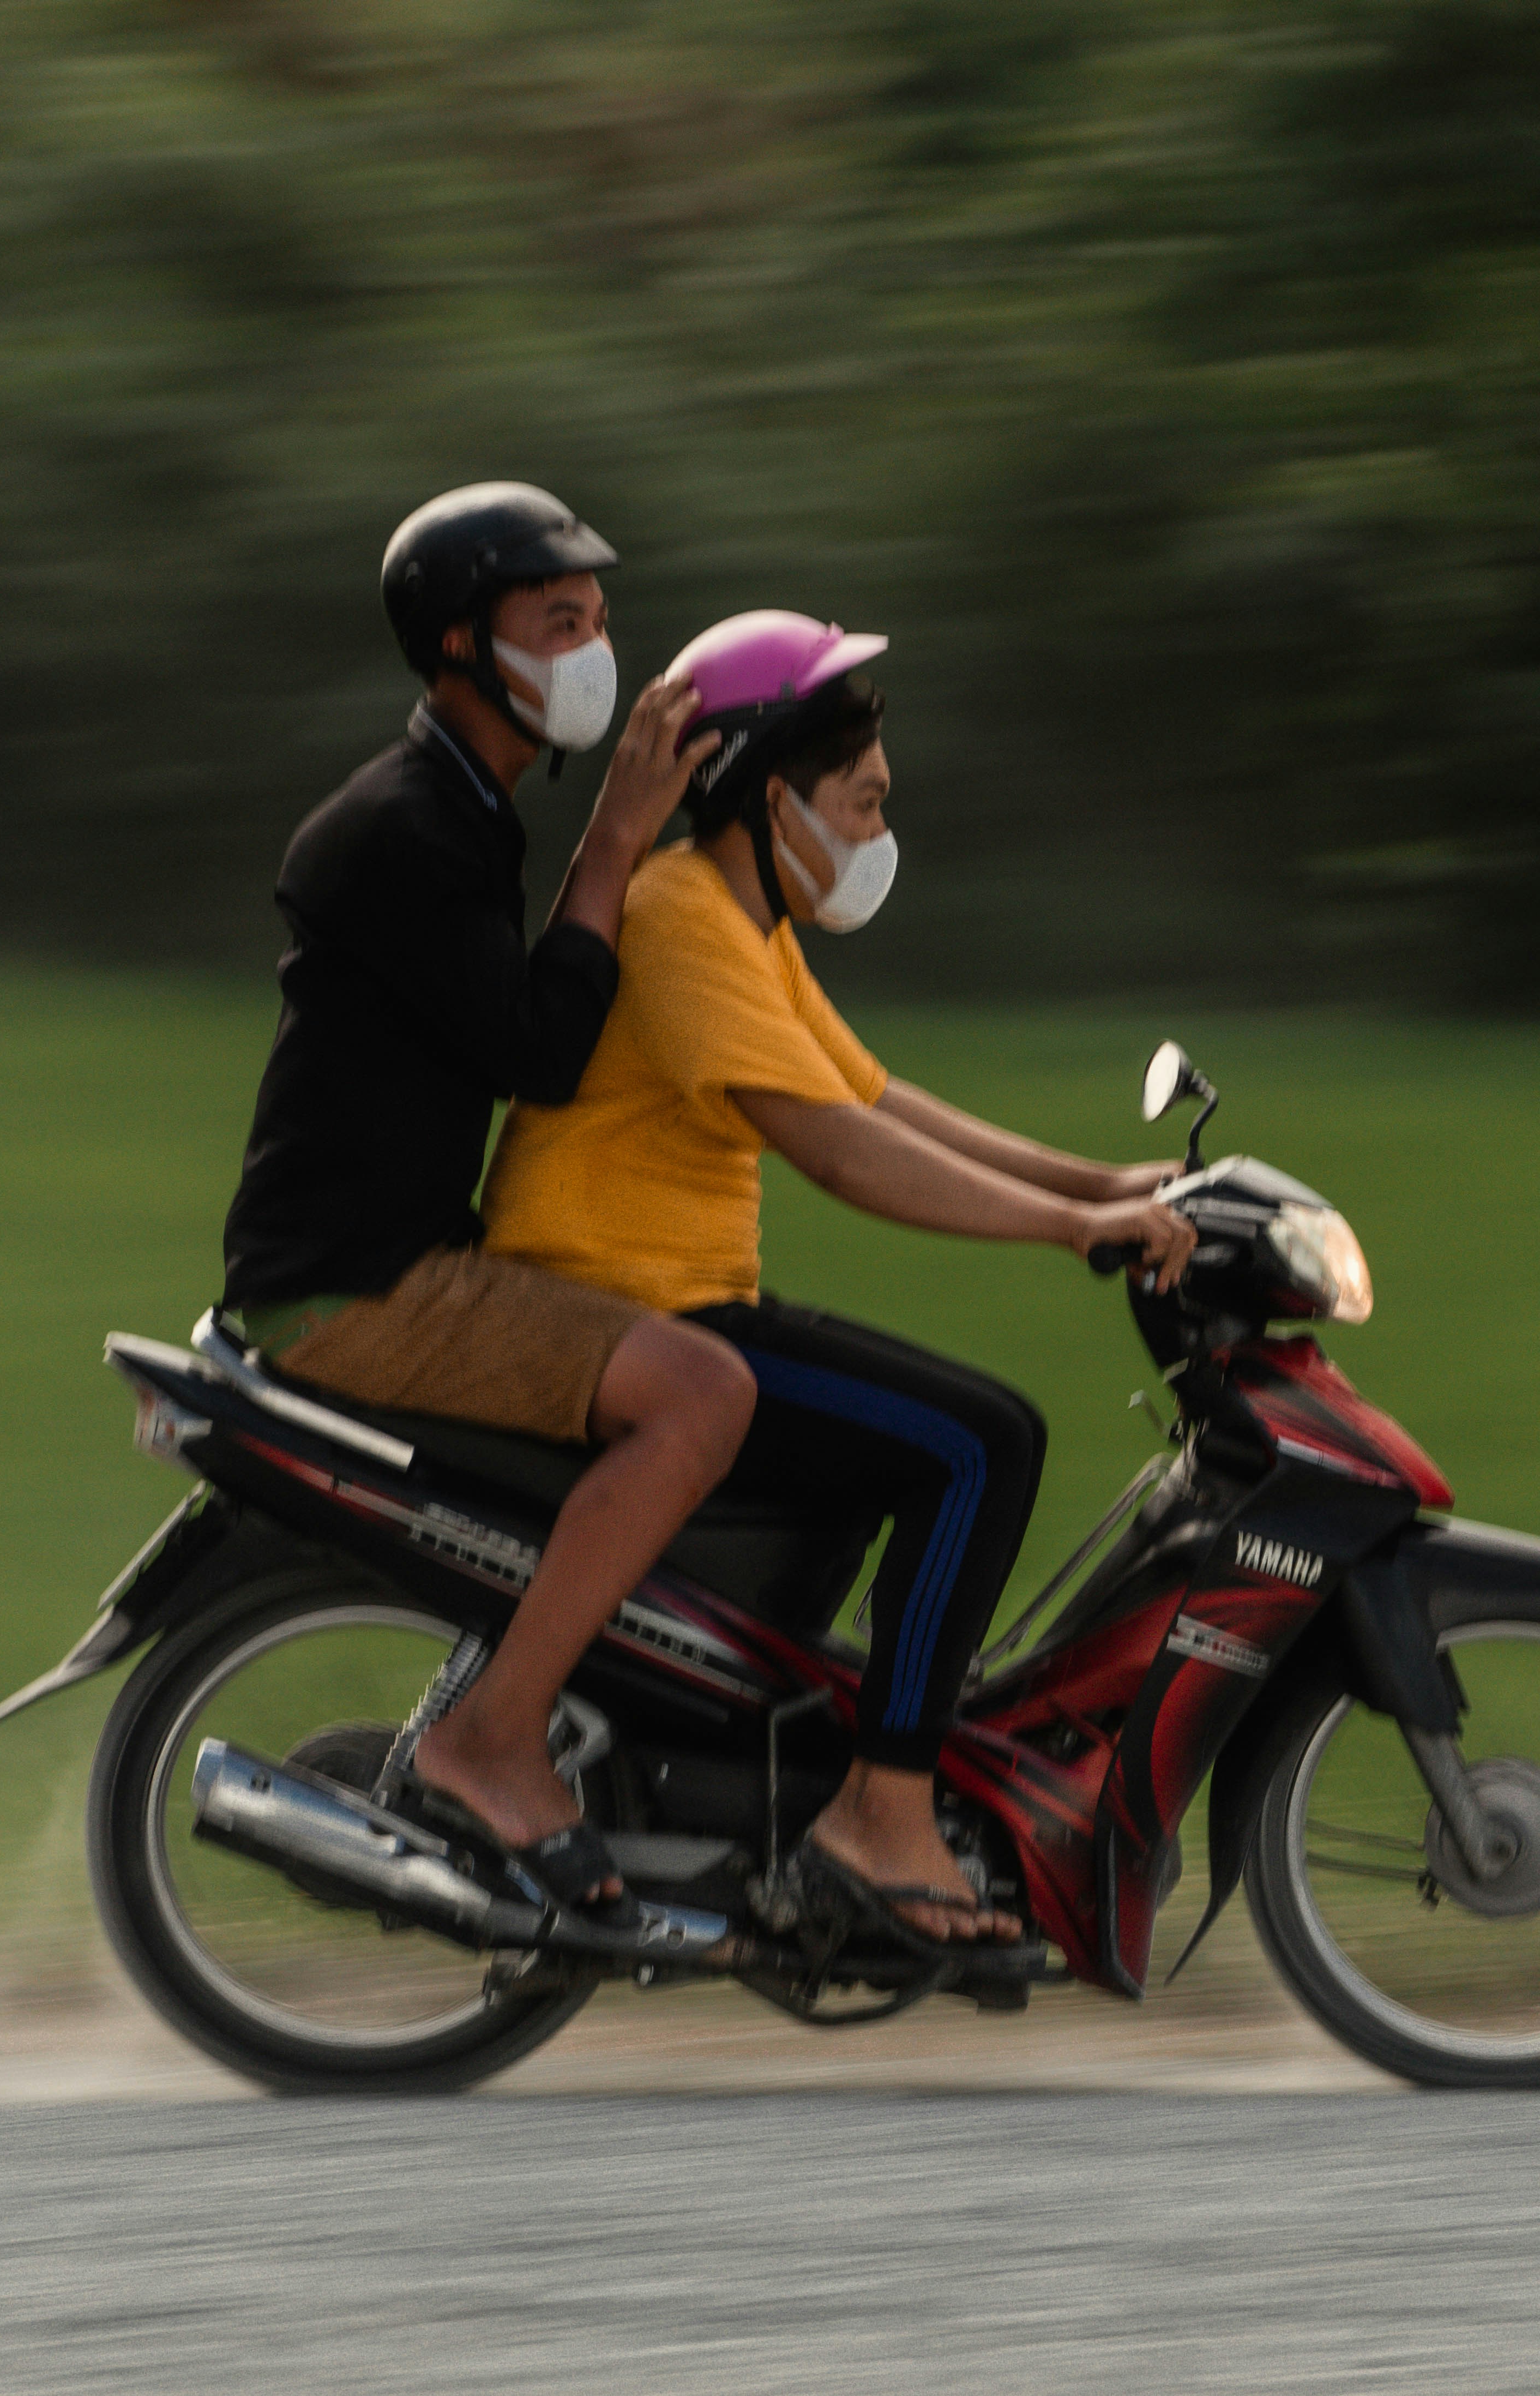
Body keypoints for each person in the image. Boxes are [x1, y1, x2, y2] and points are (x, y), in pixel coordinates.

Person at [479, 611, 1198, 1946]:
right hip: (624, 1308)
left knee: (922, 1435)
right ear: (768, 797)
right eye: (860, 803)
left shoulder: (747, 923)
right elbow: (841, 1154)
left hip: (679, 1300)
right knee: (976, 1444)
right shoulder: (684, 921)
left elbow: (876, 1094)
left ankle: (807, 1765)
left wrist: (1106, 1185)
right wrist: (1063, 1228)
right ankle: (882, 1814)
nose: (879, 835)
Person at [215, 482, 755, 1921]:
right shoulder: (411, 826)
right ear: (462, 645)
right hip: (359, 1288)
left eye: (598, 618)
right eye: (558, 621)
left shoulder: (462, 810)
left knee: (688, 1339)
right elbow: (540, 1055)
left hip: (386, 1257)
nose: (595, 651)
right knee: (699, 1398)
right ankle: (490, 1741)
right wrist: (617, 845)